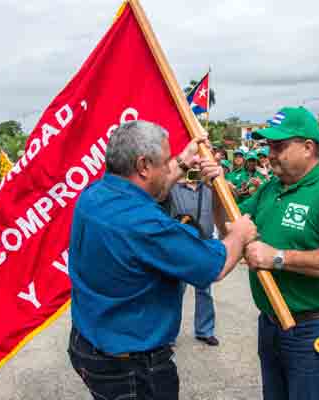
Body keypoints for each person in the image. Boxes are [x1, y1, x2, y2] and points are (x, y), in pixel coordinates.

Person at [67, 120, 257, 400]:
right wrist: (239, 236)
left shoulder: (94, 195)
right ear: (143, 165)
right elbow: (212, 266)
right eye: (166, 161)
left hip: (89, 346)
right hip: (129, 367)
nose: (170, 167)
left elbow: (149, 191)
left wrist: (182, 162)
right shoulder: (144, 224)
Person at [209, 106, 319, 400]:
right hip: (271, 321)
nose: (271, 153)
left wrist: (278, 257)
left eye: (279, 146)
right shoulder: (271, 187)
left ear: (308, 148)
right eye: (268, 145)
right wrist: (218, 194)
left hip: (312, 327)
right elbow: (232, 228)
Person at [168, 176, 219, 346]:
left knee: (205, 290)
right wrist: (176, 177)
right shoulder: (174, 187)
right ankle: (168, 335)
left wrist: (216, 180)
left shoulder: (212, 187)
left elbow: (229, 201)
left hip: (205, 242)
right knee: (176, 290)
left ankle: (205, 331)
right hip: (180, 243)